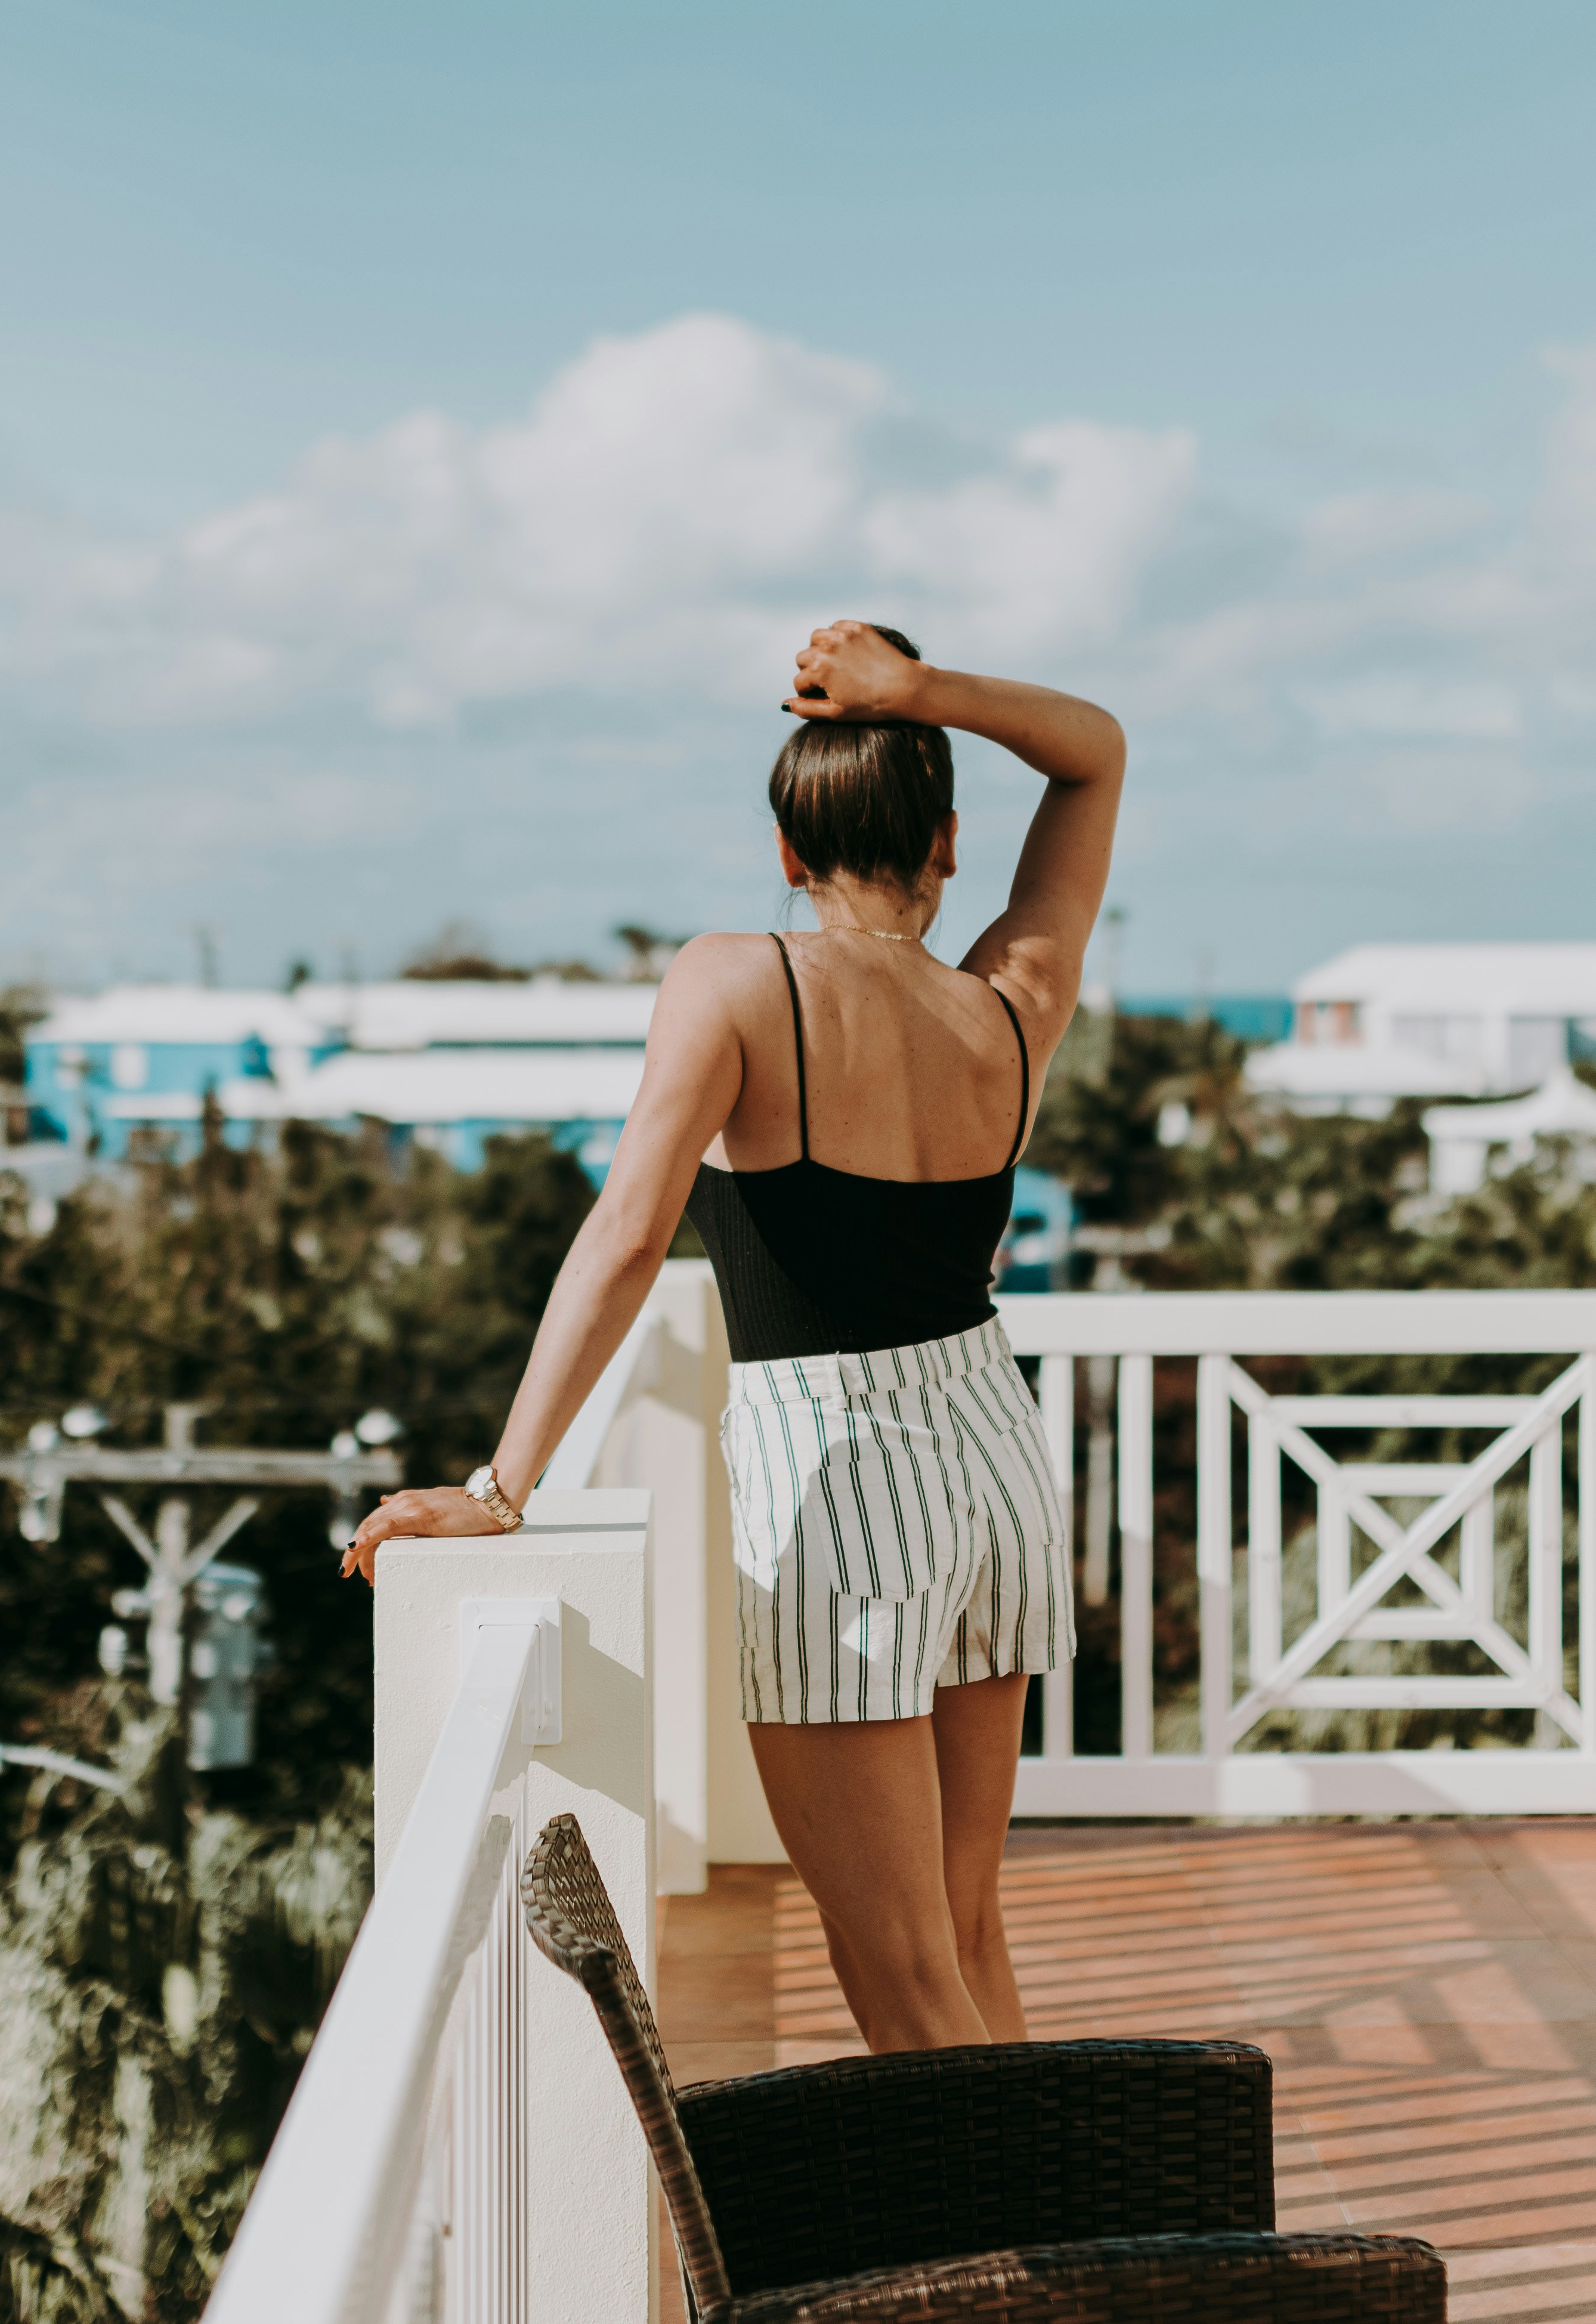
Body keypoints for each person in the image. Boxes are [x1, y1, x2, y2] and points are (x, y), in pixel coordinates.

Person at [345, 617, 1124, 2053]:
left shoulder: (734, 980)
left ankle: (1009, 2271)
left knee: (894, 1968)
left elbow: (630, 1234)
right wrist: (924, 690)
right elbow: (1094, 757)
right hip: (990, 1449)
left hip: (839, 1481)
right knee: (959, 1930)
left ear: (787, 848)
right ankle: (1052, 2230)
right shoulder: (1012, 997)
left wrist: (503, 1484)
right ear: (947, 841)